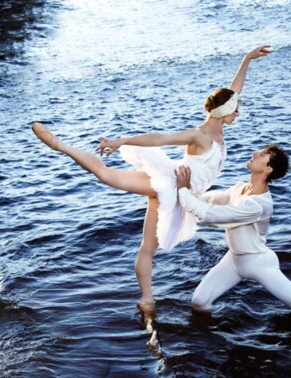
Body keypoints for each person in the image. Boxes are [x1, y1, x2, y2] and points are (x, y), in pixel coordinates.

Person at [32, 46, 271, 315]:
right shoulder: (201, 135)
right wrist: (124, 140)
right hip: (170, 183)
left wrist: (247, 59)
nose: (238, 113)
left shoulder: (218, 128)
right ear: (224, 111)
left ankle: (147, 300)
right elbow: (160, 138)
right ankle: (59, 145)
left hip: (182, 193)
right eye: (236, 109)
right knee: (106, 175)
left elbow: (233, 91)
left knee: (148, 248)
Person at [175, 146, 291, 319]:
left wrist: (184, 191)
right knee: (199, 301)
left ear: (268, 169)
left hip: (257, 263)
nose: (255, 153)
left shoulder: (257, 205)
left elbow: (211, 214)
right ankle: (203, 334)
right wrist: (187, 191)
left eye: (263, 154)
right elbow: (210, 200)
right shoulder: (241, 188)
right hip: (233, 260)